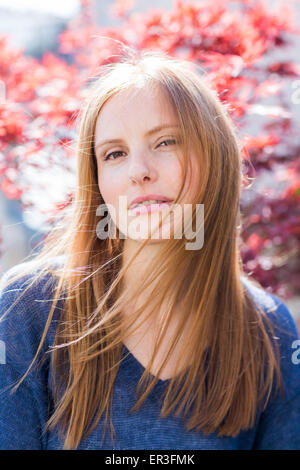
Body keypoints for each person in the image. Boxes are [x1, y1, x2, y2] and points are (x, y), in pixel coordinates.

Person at [0, 49, 299, 451]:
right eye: (115, 153)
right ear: (98, 181)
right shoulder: (29, 308)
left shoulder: (271, 331)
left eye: (165, 142)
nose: (139, 170)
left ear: (216, 159)